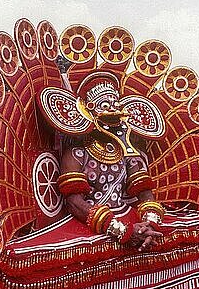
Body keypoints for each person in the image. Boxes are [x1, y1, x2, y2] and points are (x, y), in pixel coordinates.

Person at [59, 72, 163, 250]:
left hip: (126, 216)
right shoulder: (77, 153)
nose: (114, 111)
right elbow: (74, 203)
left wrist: (150, 224)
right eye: (105, 105)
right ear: (89, 111)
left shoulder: (127, 151)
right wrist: (120, 230)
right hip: (90, 223)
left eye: (116, 105)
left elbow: (145, 193)